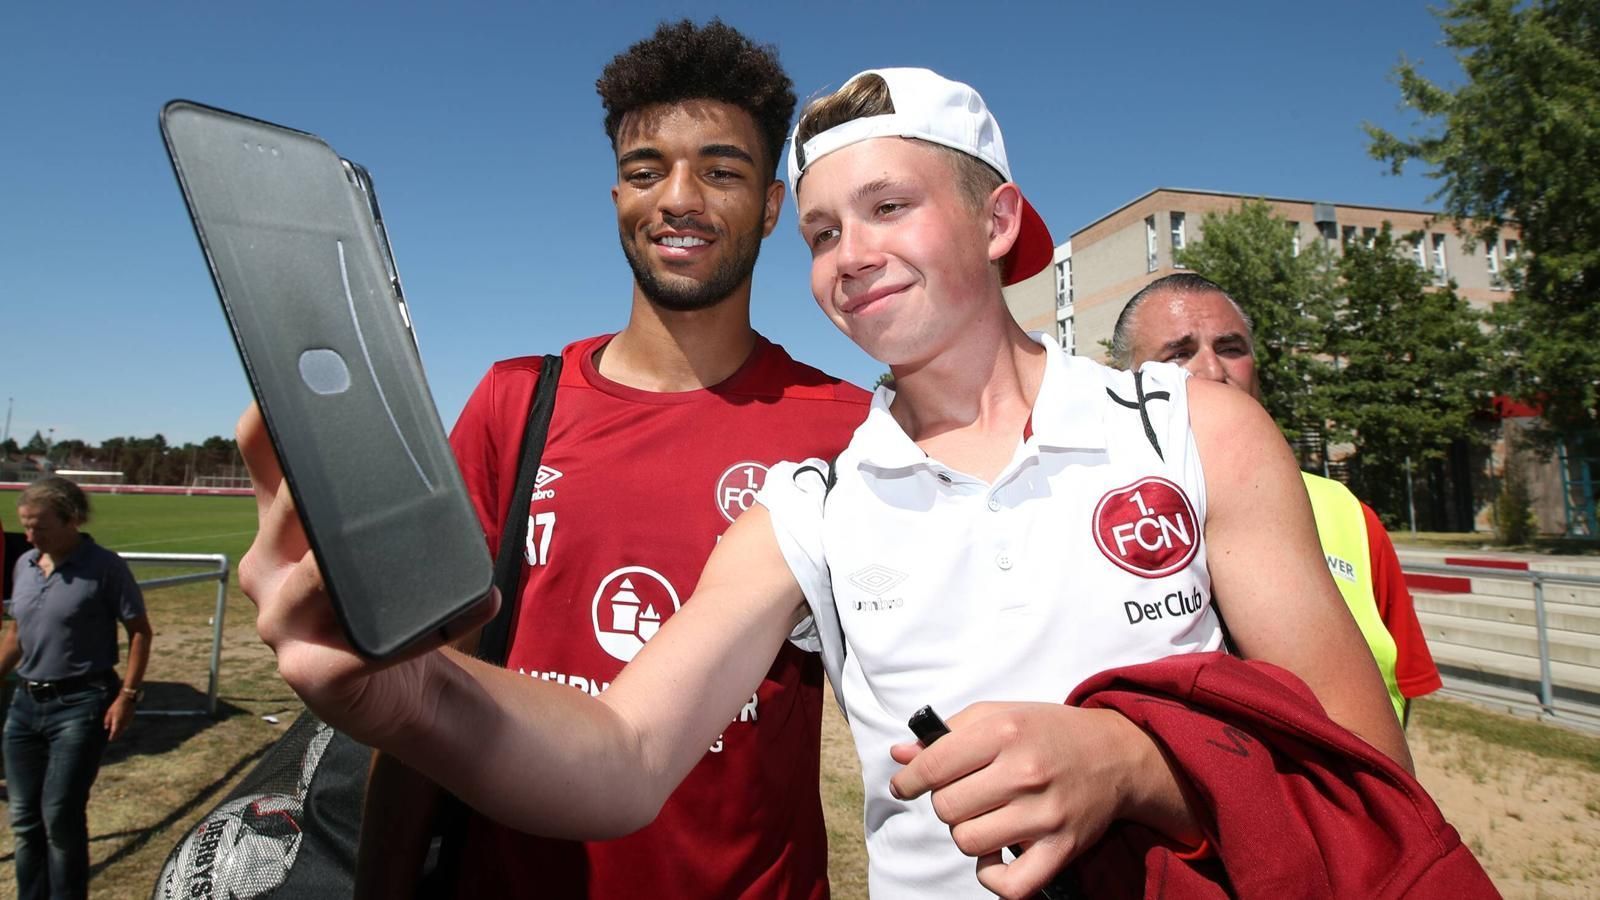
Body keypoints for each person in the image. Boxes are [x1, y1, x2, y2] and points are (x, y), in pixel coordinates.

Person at [238, 67, 1409, 899]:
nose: (849, 259)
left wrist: (1132, 765)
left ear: (997, 218)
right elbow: (624, 755)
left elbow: (1369, 771)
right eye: (819, 233)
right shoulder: (810, 502)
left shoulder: (1191, 431)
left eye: (890, 209)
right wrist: (408, 699)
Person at [357, 20, 872, 900]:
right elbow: (425, 700)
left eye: (720, 169)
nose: (678, 198)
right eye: (646, 171)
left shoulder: (848, 430)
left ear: (774, 206)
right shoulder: (514, 403)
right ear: (617, 197)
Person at [1111, 272, 1443, 723]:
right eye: (1179, 353)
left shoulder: (1349, 516)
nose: (1212, 370)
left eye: (1230, 348)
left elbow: (1402, 692)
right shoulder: (1085, 515)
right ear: (1123, 382)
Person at [2, 476, 152, 900]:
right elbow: (17, 634)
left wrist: (126, 695)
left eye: (40, 526)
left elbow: (140, 632)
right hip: (25, 705)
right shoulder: (25, 565)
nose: (30, 536)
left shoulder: (104, 566)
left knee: (60, 816)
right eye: (26, 526)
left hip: (81, 704)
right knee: (25, 818)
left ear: (72, 520)